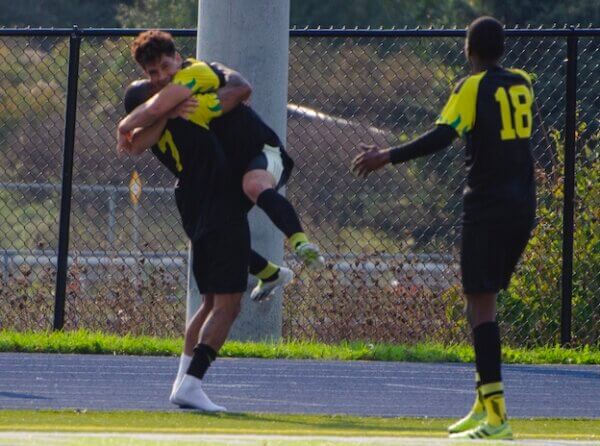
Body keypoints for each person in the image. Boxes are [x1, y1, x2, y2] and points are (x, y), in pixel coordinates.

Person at [351, 16, 536, 440]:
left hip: (487, 207)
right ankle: (482, 403)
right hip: (522, 205)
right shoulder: (522, 81)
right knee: (477, 306)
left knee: (482, 307)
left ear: (468, 51)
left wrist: (387, 156)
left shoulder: (469, 88)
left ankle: (499, 418)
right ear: (503, 51)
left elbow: (441, 136)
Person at [119, 30, 324, 271]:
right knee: (212, 233)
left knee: (254, 185)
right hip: (230, 173)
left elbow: (156, 109)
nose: (163, 76)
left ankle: (301, 244)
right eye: (154, 72)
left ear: (177, 57)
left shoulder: (190, 75)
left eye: (166, 66)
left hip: (264, 152)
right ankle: (270, 274)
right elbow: (140, 140)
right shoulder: (173, 105)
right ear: (146, 74)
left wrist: (124, 125)